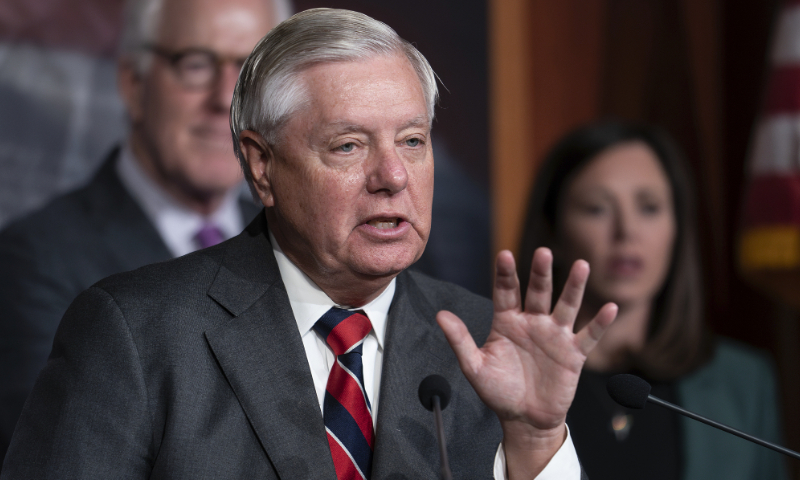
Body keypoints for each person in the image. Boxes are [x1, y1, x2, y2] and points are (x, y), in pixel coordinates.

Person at [2, 9, 617, 479]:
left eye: (412, 141)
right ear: (261, 165)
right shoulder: (136, 335)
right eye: (348, 146)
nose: (393, 177)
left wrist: (536, 443)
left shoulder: (485, 342)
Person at [0, 0, 290, 460]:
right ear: (133, 83)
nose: (227, 99)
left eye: (252, 73)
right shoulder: (31, 262)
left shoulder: (313, 246)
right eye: (196, 65)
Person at [518, 120, 788, 479]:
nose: (627, 231)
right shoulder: (507, 381)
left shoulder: (743, 382)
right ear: (555, 229)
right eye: (597, 208)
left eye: (649, 207)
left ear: (677, 227)